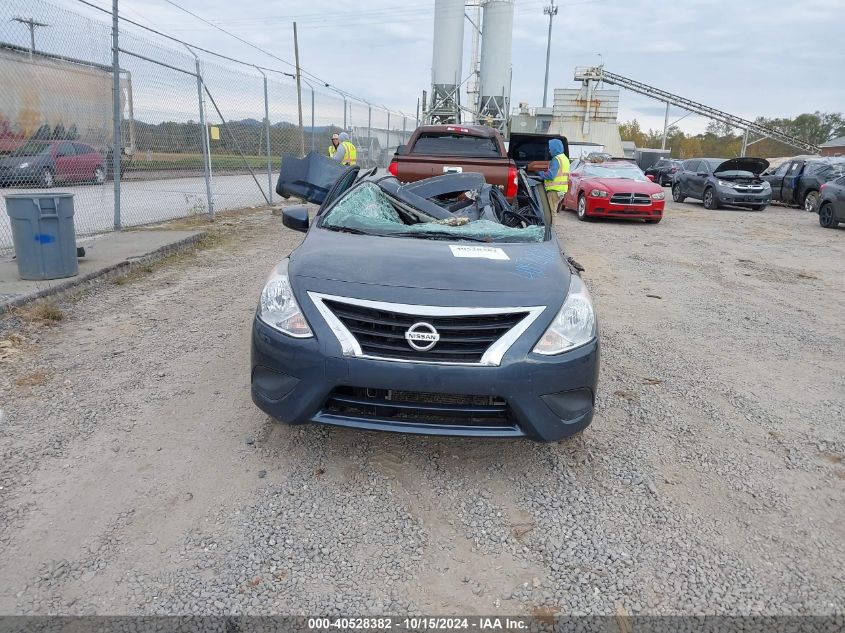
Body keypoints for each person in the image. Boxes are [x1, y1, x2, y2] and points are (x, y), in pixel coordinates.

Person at [537, 138, 570, 215]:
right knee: (553, 210)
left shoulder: (556, 159)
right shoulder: (565, 159)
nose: (549, 151)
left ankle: (551, 227)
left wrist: (540, 173)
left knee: (551, 212)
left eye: (550, 148)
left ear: (554, 148)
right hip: (561, 190)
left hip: (554, 190)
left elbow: (551, 175)